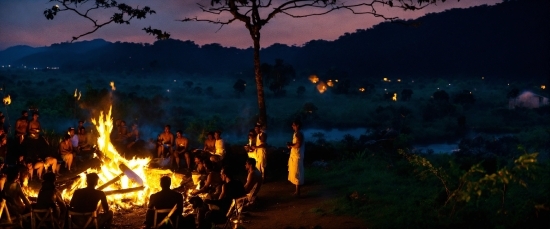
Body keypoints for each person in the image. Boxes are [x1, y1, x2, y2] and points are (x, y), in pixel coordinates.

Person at [287, 120, 305, 197]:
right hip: (295, 155)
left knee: (297, 172)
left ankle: (298, 192)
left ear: (297, 125)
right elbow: (296, 144)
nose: (292, 126)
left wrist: (291, 146)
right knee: (295, 172)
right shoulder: (297, 133)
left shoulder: (298, 134)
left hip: (297, 155)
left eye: (293, 125)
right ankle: (296, 191)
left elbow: (298, 145)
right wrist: (291, 145)